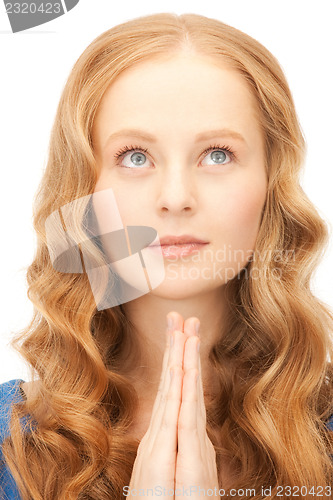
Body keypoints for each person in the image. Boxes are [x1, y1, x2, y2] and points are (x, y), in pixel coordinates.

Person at [1, 12, 333, 500]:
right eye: (135, 157)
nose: (176, 197)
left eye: (217, 154)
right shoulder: (9, 441)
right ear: (84, 192)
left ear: (271, 184)